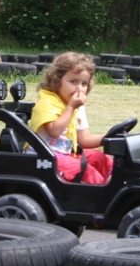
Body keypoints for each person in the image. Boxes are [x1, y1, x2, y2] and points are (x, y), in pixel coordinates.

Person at [28, 52, 113, 185]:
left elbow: (84, 140)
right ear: (57, 81)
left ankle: (114, 189)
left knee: (101, 158)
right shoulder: (47, 102)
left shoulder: (76, 106)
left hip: (66, 154)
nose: (79, 88)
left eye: (84, 84)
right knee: (86, 170)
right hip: (44, 157)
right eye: (73, 82)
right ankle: (103, 198)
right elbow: (54, 132)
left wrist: (110, 138)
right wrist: (71, 107)